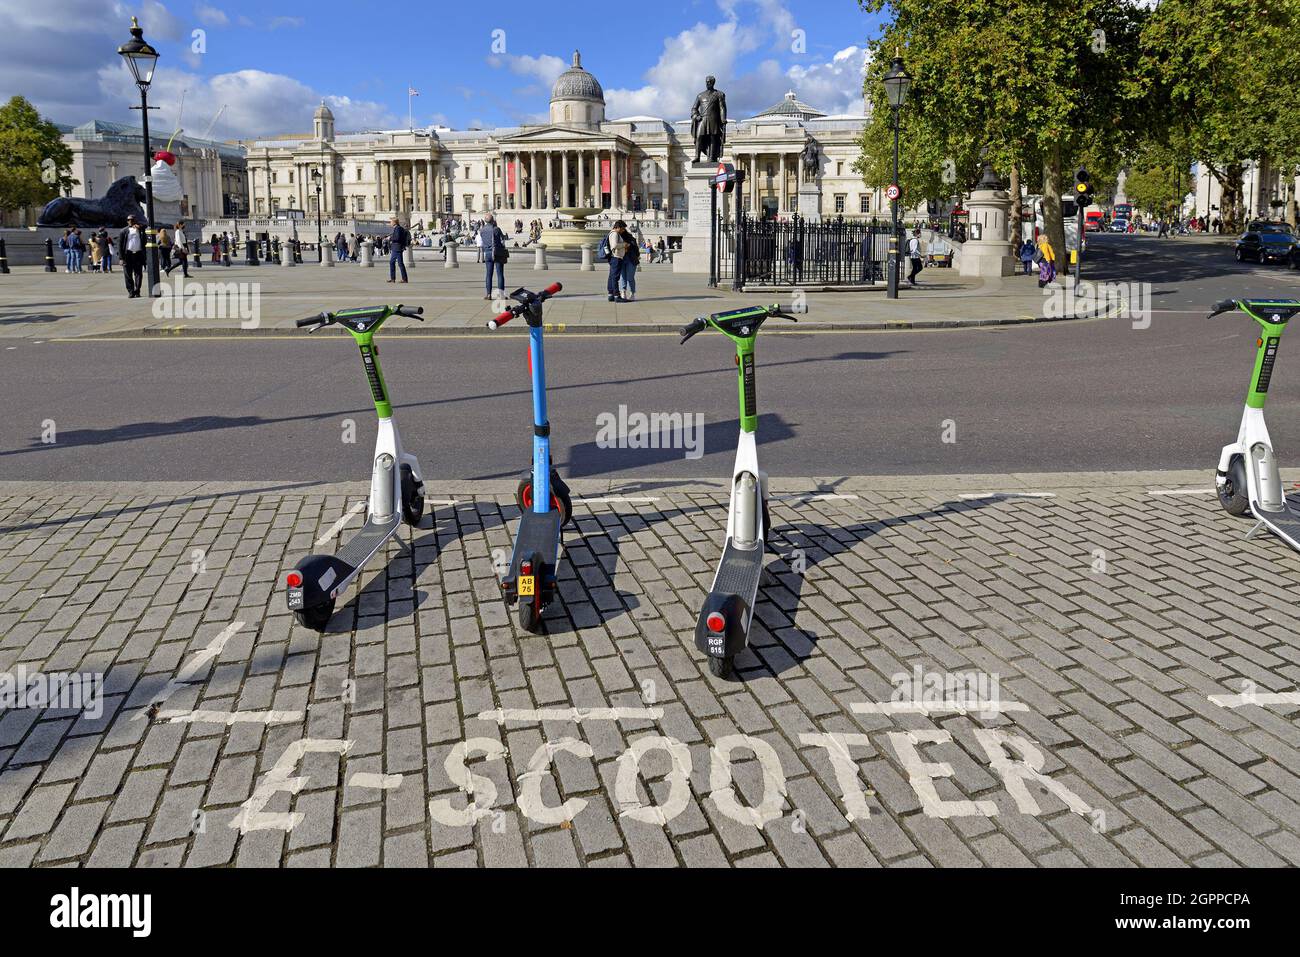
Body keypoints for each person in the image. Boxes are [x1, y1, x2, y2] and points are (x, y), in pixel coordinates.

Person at [479, 213, 507, 300]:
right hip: (497, 253)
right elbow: (503, 238)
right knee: (500, 274)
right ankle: (501, 294)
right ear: (493, 220)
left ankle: (488, 294)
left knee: (488, 274)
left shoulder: (482, 230)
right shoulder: (496, 229)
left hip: (487, 253)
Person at [119, 215, 147, 298]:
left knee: (138, 274)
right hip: (128, 254)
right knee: (128, 274)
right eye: (128, 220)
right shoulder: (123, 231)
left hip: (138, 254)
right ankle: (131, 291)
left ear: (135, 220)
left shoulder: (140, 229)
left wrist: (140, 227)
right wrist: (121, 258)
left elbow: (148, 226)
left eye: (132, 220)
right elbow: (120, 245)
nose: (130, 221)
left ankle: (137, 290)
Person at [605, 219, 629, 302]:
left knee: (611, 276)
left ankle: (610, 294)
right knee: (615, 277)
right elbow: (614, 245)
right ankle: (616, 295)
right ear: (618, 227)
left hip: (614, 257)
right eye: (622, 229)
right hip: (616, 257)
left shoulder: (612, 233)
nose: (623, 231)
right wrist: (624, 244)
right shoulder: (615, 234)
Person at [619, 224, 640, 301]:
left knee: (629, 277)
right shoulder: (618, 238)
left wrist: (629, 247)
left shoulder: (631, 238)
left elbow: (636, 250)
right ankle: (623, 292)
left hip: (630, 259)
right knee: (624, 277)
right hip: (621, 259)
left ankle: (631, 293)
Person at [386, 216, 409, 283]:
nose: (390, 223)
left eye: (391, 222)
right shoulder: (398, 228)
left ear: (394, 222)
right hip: (396, 248)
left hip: (397, 248)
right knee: (393, 263)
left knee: (399, 263)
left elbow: (398, 238)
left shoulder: (398, 229)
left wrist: (390, 239)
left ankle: (404, 279)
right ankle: (393, 278)